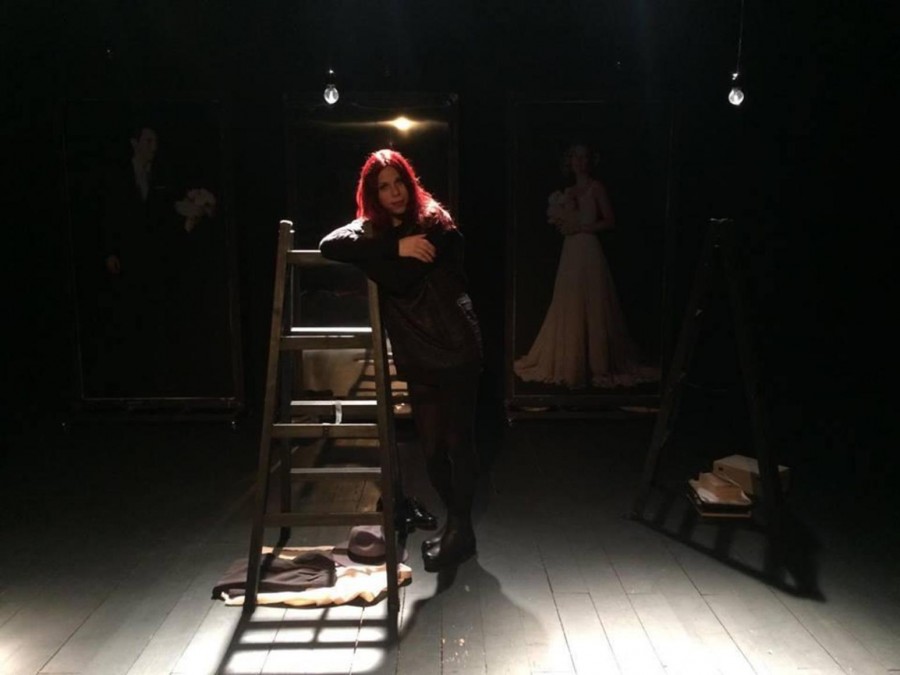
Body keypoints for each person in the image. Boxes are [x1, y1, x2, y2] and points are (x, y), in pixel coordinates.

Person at [319, 149, 483, 572]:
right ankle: (458, 526)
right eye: (384, 187)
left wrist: (378, 253)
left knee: (458, 443)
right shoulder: (378, 231)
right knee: (430, 451)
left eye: (399, 183)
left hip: (454, 345)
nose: (395, 193)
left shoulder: (433, 223)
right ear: (372, 194)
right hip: (417, 353)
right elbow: (329, 244)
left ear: (410, 184)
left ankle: (460, 529)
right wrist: (394, 245)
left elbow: (401, 278)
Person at [514, 143, 660, 389]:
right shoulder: (567, 192)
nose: (580, 162)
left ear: (590, 161)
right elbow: (560, 220)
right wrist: (563, 224)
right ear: (570, 162)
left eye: (584, 158)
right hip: (571, 250)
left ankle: (597, 364)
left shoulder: (596, 187)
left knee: (594, 300)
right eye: (576, 158)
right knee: (570, 299)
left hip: (588, 247)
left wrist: (581, 227)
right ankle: (572, 361)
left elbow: (609, 220)